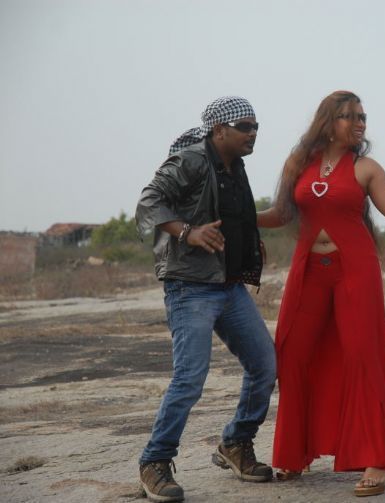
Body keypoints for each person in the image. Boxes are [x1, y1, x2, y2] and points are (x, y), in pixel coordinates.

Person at [258, 90, 385, 497]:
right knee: (292, 353)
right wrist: (241, 216)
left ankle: (379, 460)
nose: (359, 123)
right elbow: (282, 214)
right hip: (308, 271)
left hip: (355, 271)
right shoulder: (297, 163)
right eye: (349, 116)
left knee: (361, 355)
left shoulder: (365, 168)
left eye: (362, 117)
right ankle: (295, 452)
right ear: (328, 122)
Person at [135, 96, 276, 502]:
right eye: (244, 127)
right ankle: (155, 461)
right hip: (190, 285)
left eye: (256, 127)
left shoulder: (235, 165)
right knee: (190, 377)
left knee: (265, 365)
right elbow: (149, 201)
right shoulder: (193, 159)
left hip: (228, 286)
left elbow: (231, 213)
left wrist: (248, 241)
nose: (253, 133)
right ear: (219, 130)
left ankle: (236, 443)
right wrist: (187, 232)